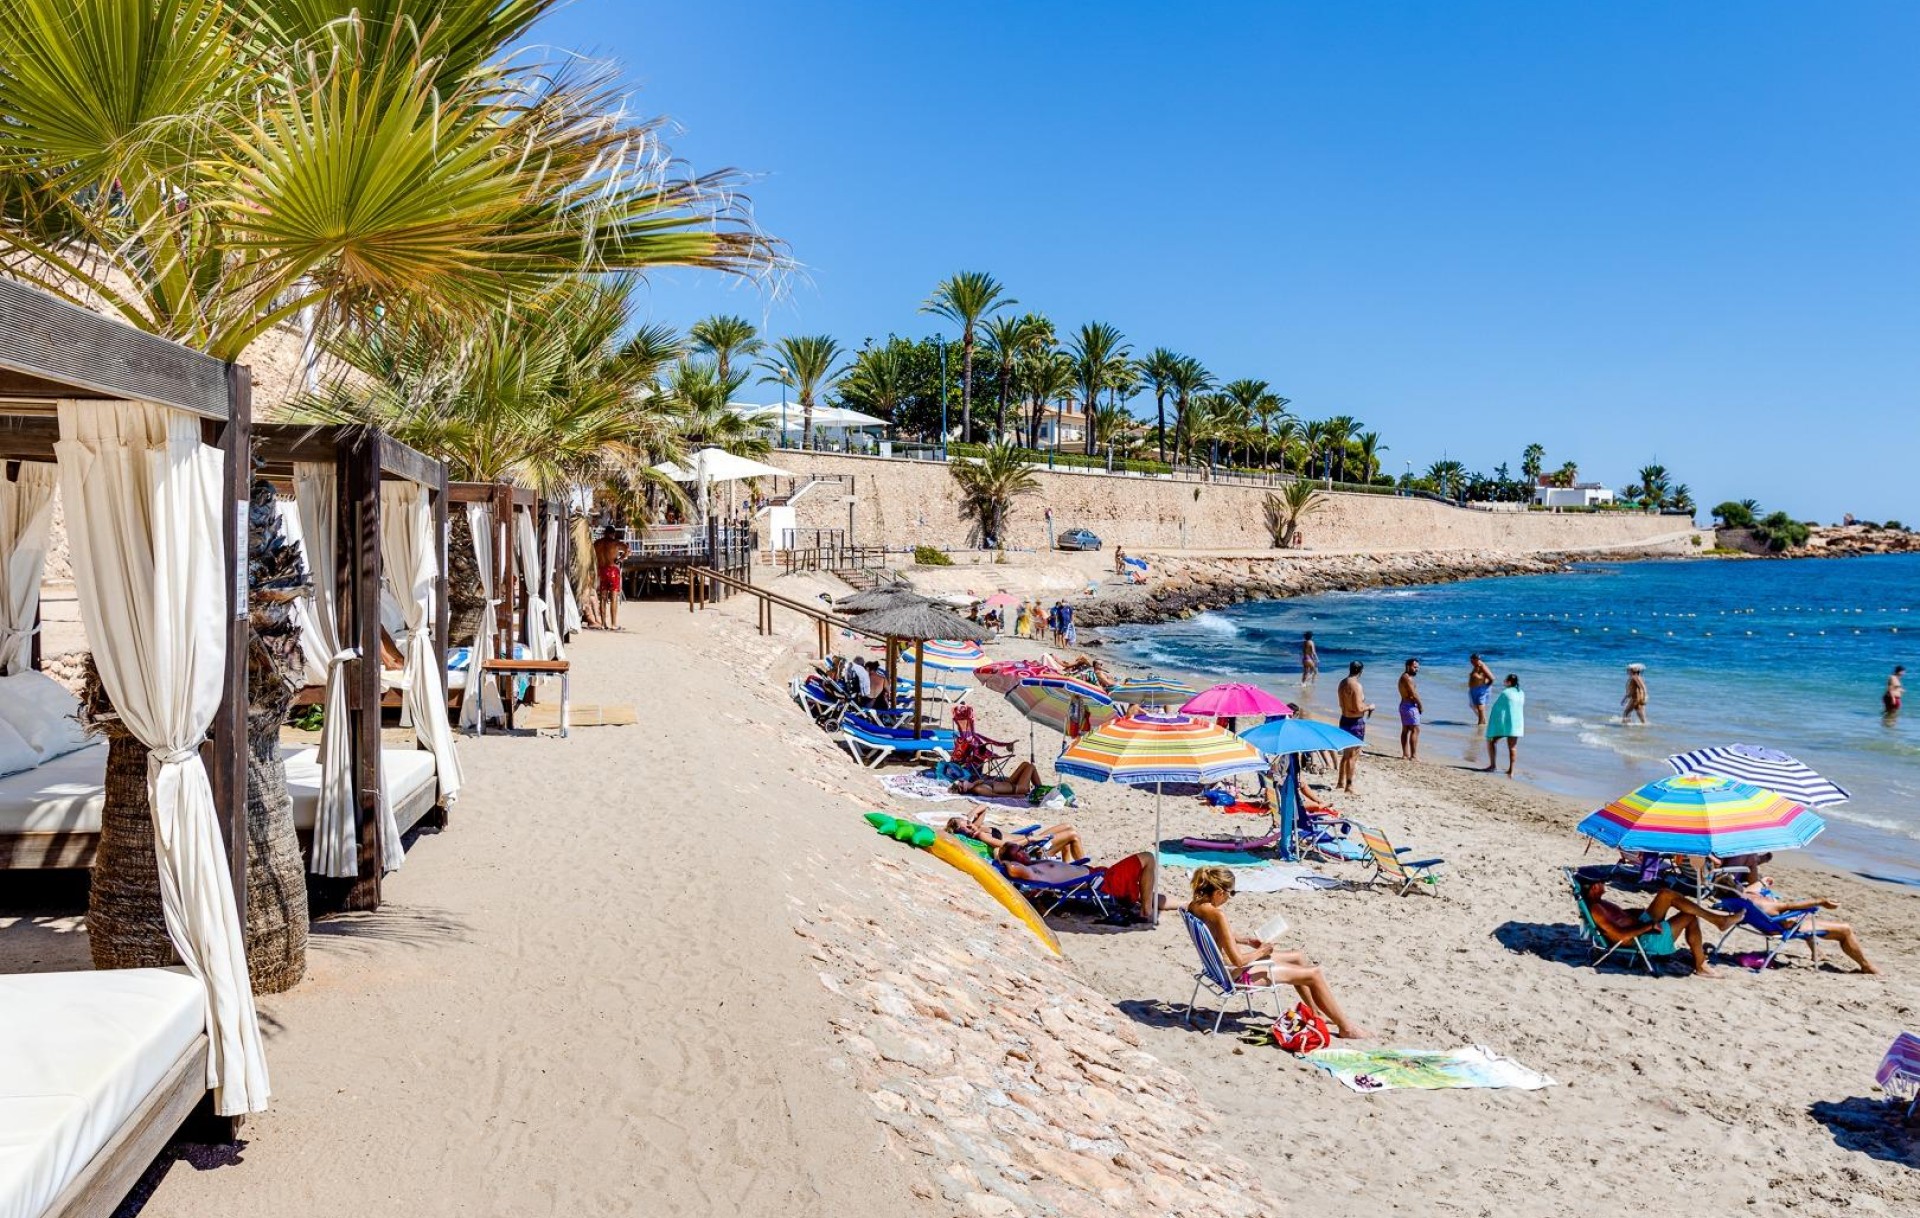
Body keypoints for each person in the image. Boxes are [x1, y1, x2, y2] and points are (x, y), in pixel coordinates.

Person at [1184, 866, 1371, 1038]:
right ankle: (1347, 1028)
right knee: (1314, 973)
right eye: (1231, 893)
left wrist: (1246, 940)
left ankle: (1316, 1012)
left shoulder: (1195, 906)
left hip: (1218, 970)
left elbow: (1215, 934)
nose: (1230, 898)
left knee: (1297, 956)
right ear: (1219, 892)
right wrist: (1262, 951)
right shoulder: (1218, 915)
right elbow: (1239, 961)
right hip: (1235, 976)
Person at [1726, 855, 1880, 973]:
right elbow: (1788, 905)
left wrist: (1763, 882)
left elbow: (1751, 889)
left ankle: (1817, 952)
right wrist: (1821, 901)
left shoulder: (1741, 899)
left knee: (1798, 916)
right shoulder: (1763, 903)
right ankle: (1866, 966)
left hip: (1768, 923)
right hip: (1782, 927)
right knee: (1845, 929)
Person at [1580, 879, 1737, 976]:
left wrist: (1639, 913)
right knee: (1689, 917)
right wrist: (1649, 925)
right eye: (1602, 882)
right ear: (1594, 887)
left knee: (1665, 894)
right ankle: (1701, 965)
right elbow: (1621, 935)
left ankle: (1718, 920)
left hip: (1639, 926)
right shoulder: (1597, 909)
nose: (1604, 884)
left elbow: (1619, 917)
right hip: (1642, 939)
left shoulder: (1598, 903)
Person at [946, 809, 1086, 861]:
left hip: (1032, 842)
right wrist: (1029, 839)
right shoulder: (981, 835)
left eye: (967, 823)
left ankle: (1068, 866)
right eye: (966, 827)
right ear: (964, 833)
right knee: (1072, 835)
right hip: (1031, 849)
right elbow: (1006, 846)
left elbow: (983, 808)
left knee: (1067, 826)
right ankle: (1085, 870)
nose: (969, 825)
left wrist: (970, 816)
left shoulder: (977, 827)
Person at [1335, 661, 1373, 793]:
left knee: (1346, 754)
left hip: (1344, 719)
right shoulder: (1356, 685)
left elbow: (1342, 704)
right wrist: (1370, 707)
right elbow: (1358, 708)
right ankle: (1349, 786)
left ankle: (1340, 782)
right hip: (1355, 722)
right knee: (1353, 755)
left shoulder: (1342, 683)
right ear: (1361, 671)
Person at [1482, 674, 1524, 776]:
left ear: (1509, 682)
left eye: (1505, 680)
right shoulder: (1521, 692)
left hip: (1506, 723)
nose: (1504, 681)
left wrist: (1495, 725)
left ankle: (1493, 766)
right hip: (1517, 724)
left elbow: (1497, 708)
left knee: (1491, 741)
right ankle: (1511, 771)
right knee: (1512, 747)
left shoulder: (1505, 693)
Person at [591, 525, 629, 630]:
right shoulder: (615, 542)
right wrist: (620, 559)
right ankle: (613, 624)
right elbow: (627, 549)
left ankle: (603, 624)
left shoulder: (597, 543)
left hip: (602, 570)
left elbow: (592, 555)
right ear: (613, 534)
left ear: (604, 533)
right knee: (613, 598)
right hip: (612, 570)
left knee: (603, 598)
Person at [952, 759, 1044, 798]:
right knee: (1031, 766)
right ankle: (1041, 792)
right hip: (1018, 789)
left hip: (1010, 782)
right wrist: (1016, 796)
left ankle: (1041, 790)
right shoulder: (978, 789)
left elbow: (983, 780)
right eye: (961, 783)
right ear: (964, 789)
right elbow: (995, 796)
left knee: (1025, 764)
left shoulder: (975, 784)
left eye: (961, 781)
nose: (963, 781)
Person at [1396, 657, 1422, 761]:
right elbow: (1413, 694)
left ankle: (1405, 754)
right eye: (1415, 667)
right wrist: (1420, 705)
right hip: (1409, 706)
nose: (1417, 669)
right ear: (1408, 666)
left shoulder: (1403, 677)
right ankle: (1413, 756)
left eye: (1417, 667)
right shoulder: (1407, 678)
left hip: (1404, 705)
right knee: (1415, 730)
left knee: (1405, 730)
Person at [1467, 654, 1495, 727]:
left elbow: (1492, 678)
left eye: (1473, 660)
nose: (1471, 662)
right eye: (1471, 660)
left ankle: (1481, 724)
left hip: (1481, 689)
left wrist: (1485, 687)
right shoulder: (1477, 666)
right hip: (1475, 689)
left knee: (1480, 706)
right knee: (1473, 705)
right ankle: (1483, 721)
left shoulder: (1482, 666)